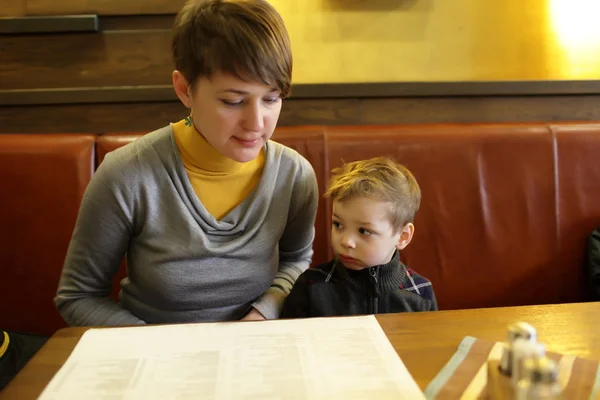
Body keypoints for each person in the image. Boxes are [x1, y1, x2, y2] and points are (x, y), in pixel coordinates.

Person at [55, 0, 318, 326]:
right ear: (184, 90)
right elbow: (78, 297)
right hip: (152, 358)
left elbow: (297, 259)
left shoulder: (294, 175)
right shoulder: (127, 174)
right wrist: (158, 348)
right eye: (233, 101)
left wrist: (265, 312)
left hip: (255, 352)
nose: (257, 123)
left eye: (271, 98)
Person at [281, 157, 437, 318]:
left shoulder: (420, 291)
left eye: (364, 231)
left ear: (402, 237)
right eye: (338, 224)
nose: (346, 241)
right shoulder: (311, 286)